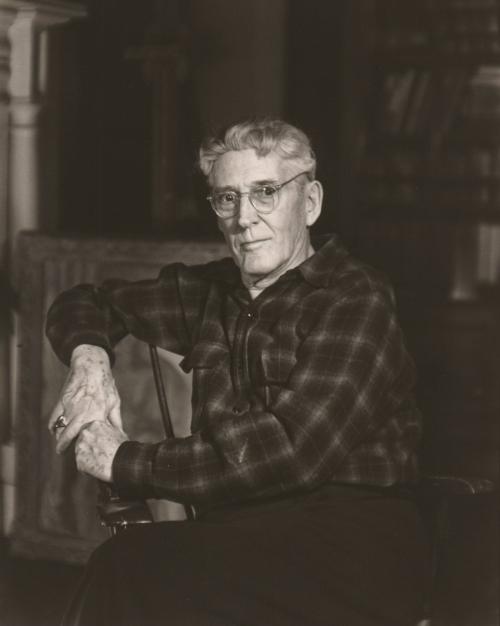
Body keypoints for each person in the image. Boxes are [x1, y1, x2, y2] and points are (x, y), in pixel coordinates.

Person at [46, 118, 429, 626]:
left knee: (133, 567)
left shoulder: (355, 299)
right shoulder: (208, 293)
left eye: (265, 192)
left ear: (310, 203)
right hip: (237, 533)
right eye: (227, 198)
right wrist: (89, 361)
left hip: (350, 541)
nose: (244, 217)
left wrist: (126, 462)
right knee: (138, 568)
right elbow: (84, 302)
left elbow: (290, 449)